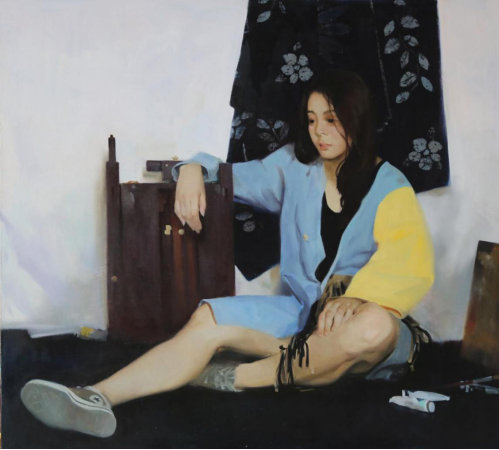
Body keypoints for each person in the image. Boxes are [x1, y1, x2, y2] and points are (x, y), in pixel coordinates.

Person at [20, 68, 435, 439]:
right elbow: (233, 175)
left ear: (356, 118)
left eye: (331, 119)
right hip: (300, 318)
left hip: (357, 332)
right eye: (311, 120)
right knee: (208, 318)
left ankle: (235, 377)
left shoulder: (390, 186)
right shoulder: (295, 167)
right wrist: (192, 169)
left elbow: (409, 263)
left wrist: (358, 298)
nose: (318, 132)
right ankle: (94, 397)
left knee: (373, 327)